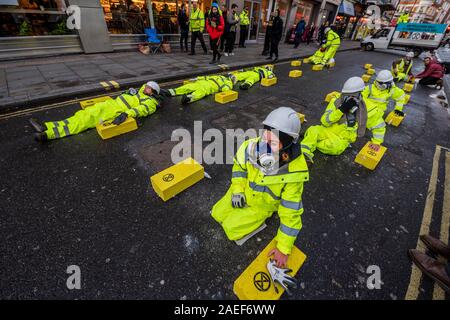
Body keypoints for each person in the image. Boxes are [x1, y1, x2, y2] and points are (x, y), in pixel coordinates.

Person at [211, 107, 309, 268]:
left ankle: (257, 219)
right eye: (265, 138)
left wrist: (283, 248)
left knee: (231, 228)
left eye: (273, 142)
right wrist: (237, 190)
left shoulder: (293, 172)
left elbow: (291, 210)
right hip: (243, 193)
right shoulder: (251, 147)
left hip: (260, 207)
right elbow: (239, 168)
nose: (265, 145)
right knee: (217, 213)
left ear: (288, 143)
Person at [29, 82, 163, 142]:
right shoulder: (136, 92)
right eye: (146, 85)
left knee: (84, 121)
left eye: (150, 88)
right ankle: (48, 125)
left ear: (154, 92)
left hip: (113, 111)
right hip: (109, 104)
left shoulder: (150, 102)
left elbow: (141, 110)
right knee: (81, 115)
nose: (146, 88)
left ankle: (48, 134)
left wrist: (127, 114)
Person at [301, 77, 367, 162]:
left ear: (359, 94)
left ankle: (314, 142)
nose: (350, 99)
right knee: (313, 130)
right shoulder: (335, 102)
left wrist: (376, 141)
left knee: (335, 148)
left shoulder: (362, 107)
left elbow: (361, 128)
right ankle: (305, 154)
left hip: (340, 139)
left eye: (353, 96)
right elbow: (324, 121)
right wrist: (341, 110)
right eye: (347, 95)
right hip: (328, 130)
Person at [361, 70, 406, 145]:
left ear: (389, 83)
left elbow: (400, 97)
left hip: (378, 112)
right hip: (367, 108)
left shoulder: (392, 90)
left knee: (377, 126)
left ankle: (376, 140)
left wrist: (398, 109)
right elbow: (361, 96)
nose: (380, 85)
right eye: (379, 82)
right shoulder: (370, 88)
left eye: (382, 83)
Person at [161, 74, 237, 104]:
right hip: (205, 84)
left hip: (208, 86)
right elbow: (207, 77)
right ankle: (171, 92)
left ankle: (188, 98)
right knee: (188, 87)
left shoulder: (228, 83)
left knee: (197, 92)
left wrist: (197, 78)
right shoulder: (222, 77)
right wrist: (197, 78)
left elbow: (225, 90)